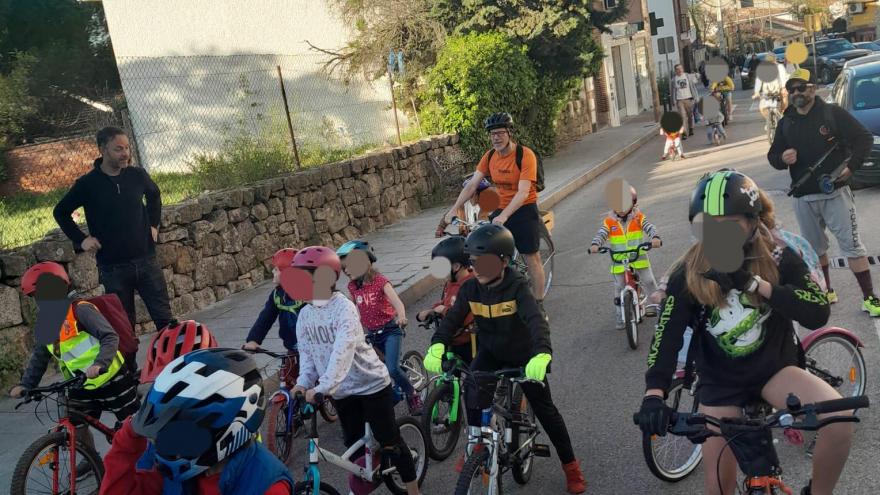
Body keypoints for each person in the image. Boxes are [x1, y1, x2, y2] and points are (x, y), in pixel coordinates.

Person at [636, 170, 853, 495]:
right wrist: (654, 394)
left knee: (840, 418)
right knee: (718, 487)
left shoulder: (779, 256)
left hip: (775, 372)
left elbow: (817, 311)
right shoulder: (690, 271)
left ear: (754, 222)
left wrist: (755, 284)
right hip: (720, 384)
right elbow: (667, 334)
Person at [423, 224, 587, 494]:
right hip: (490, 352)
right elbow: (451, 321)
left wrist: (542, 353)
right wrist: (437, 345)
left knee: (546, 410)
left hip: (524, 356)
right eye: (473, 262)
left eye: (484, 262)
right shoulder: (470, 289)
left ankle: (570, 466)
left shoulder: (517, 286)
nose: (476, 268)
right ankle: (477, 445)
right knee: (473, 394)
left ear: (503, 261)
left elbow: (536, 322)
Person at [290, 246, 422, 495]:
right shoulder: (305, 315)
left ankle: (414, 490)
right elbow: (308, 358)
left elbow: (342, 354)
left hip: (370, 384)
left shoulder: (344, 309)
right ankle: (370, 475)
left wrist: (323, 388)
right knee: (354, 447)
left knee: (390, 441)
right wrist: (302, 383)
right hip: (342, 393)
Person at [101, 348, 294, 494]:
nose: (162, 445)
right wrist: (131, 434)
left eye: (176, 433)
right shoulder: (171, 467)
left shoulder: (268, 485)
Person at [767, 68, 879, 316]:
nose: (796, 93)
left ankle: (870, 298)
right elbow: (773, 156)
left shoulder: (832, 113)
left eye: (801, 87)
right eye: (791, 89)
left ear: (812, 88)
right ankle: (826, 290)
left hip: (835, 194)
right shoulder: (786, 123)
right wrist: (782, 158)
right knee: (815, 251)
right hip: (803, 197)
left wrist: (851, 168)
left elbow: (864, 139)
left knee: (852, 247)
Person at [53, 126, 172, 334]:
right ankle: (130, 368)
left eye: (126, 148)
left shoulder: (138, 175)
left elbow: (154, 195)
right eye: (118, 149)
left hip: (147, 261)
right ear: (102, 149)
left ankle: (176, 364)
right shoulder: (87, 184)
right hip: (113, 268)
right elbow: (60, 212)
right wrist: (81, 240)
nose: (125, 153)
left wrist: (154, 225)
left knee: (165, 320)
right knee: (124, 328)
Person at [11, 262, 140, 454]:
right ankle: (90, 459)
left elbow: (110, 336)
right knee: (75, 422)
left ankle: (146, 462)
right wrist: (26, 385)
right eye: (36, 297)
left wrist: (100, 364)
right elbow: (40, 356)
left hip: (112, 378)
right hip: (81, 382)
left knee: (133, 426)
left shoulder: (80, 309)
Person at [439, 112, 548, 306]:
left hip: (524, 208)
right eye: (492, 134)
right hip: (501, 208)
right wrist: (453, 210)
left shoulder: (525, 155)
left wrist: (504, 216)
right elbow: (472, 185)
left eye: (500, 133)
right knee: (489, 254)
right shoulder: (489, 157)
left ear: (509, 133)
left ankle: (539, 304)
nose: (496, 137)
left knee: (532, 258)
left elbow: (523, 192)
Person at [337, 240, 423, 414]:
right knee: (374, 372)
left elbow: (397, 302)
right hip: (371, 335)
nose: (346, 271)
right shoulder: (353, 287)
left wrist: (402, 317)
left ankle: (412, 393)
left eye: (349, 266)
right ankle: (393, 395)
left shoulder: (380, 281)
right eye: (343, 268)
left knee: (392, 368)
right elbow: (351, 311)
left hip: (390, 330)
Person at [589, 185, 662, 327]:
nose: (621, 209)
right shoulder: (609, 221)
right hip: (619, 260)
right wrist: (595, 244)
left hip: (638, 258)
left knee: (649, 281)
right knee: (619, 287)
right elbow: (601, 234)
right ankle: (620, 316)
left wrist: (655, 237)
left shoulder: (638, 217)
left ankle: (657, 308)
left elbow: (649, 227)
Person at [243, 248, 306, 386]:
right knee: (289, 380)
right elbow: (265, 317)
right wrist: (253, 340)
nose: (272, 272)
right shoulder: (277, 295)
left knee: (315, 384)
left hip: (313, 349)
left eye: (276, 269)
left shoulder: (306, 295)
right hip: (292, 349)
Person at [417, 236, 477, 363]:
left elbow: (468, 315)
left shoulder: (471, 284)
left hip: (469, 343)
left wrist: (444, 310)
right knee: (448, 375)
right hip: (451, 338)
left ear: (455, 267)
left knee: (473, 378)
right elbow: (446, 301)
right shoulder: (450, 282)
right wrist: (432, 310)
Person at [752, 53, 788, 129]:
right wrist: (757, 92)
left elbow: (783, 78)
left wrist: (783, 88)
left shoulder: (780, 67)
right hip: (767, 91)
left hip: (778, 89)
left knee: (784, 101)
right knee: (762, 108)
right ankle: (769, 120)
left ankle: (782, 118)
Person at [671, 64, 699, 138]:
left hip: (689, 99)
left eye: (680, 68)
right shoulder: (673, 80)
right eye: (677, 69)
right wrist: (673, 101)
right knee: (682, 116)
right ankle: (684, 133)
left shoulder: (688, 76)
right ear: (675, 71)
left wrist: (696, 75)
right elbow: (672, 91)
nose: (679, 70)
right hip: (680, 100)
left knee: (690, 115)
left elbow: (697, 78)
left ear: (683, 69)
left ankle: (691, 128)